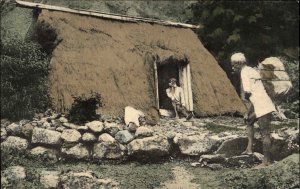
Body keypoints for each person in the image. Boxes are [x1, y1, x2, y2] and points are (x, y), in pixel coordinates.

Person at [231, 52, 277, 166]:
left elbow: (248, 93)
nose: (232, 67)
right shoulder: (251, 70)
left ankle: (266, 161)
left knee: (265, 133)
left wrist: (247, 107)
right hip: (259, 103)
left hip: (263, 105)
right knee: (249, 120)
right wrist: (248, 112)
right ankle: (249, 148)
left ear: (238, 63)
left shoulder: (244, 73)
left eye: (233, 64)